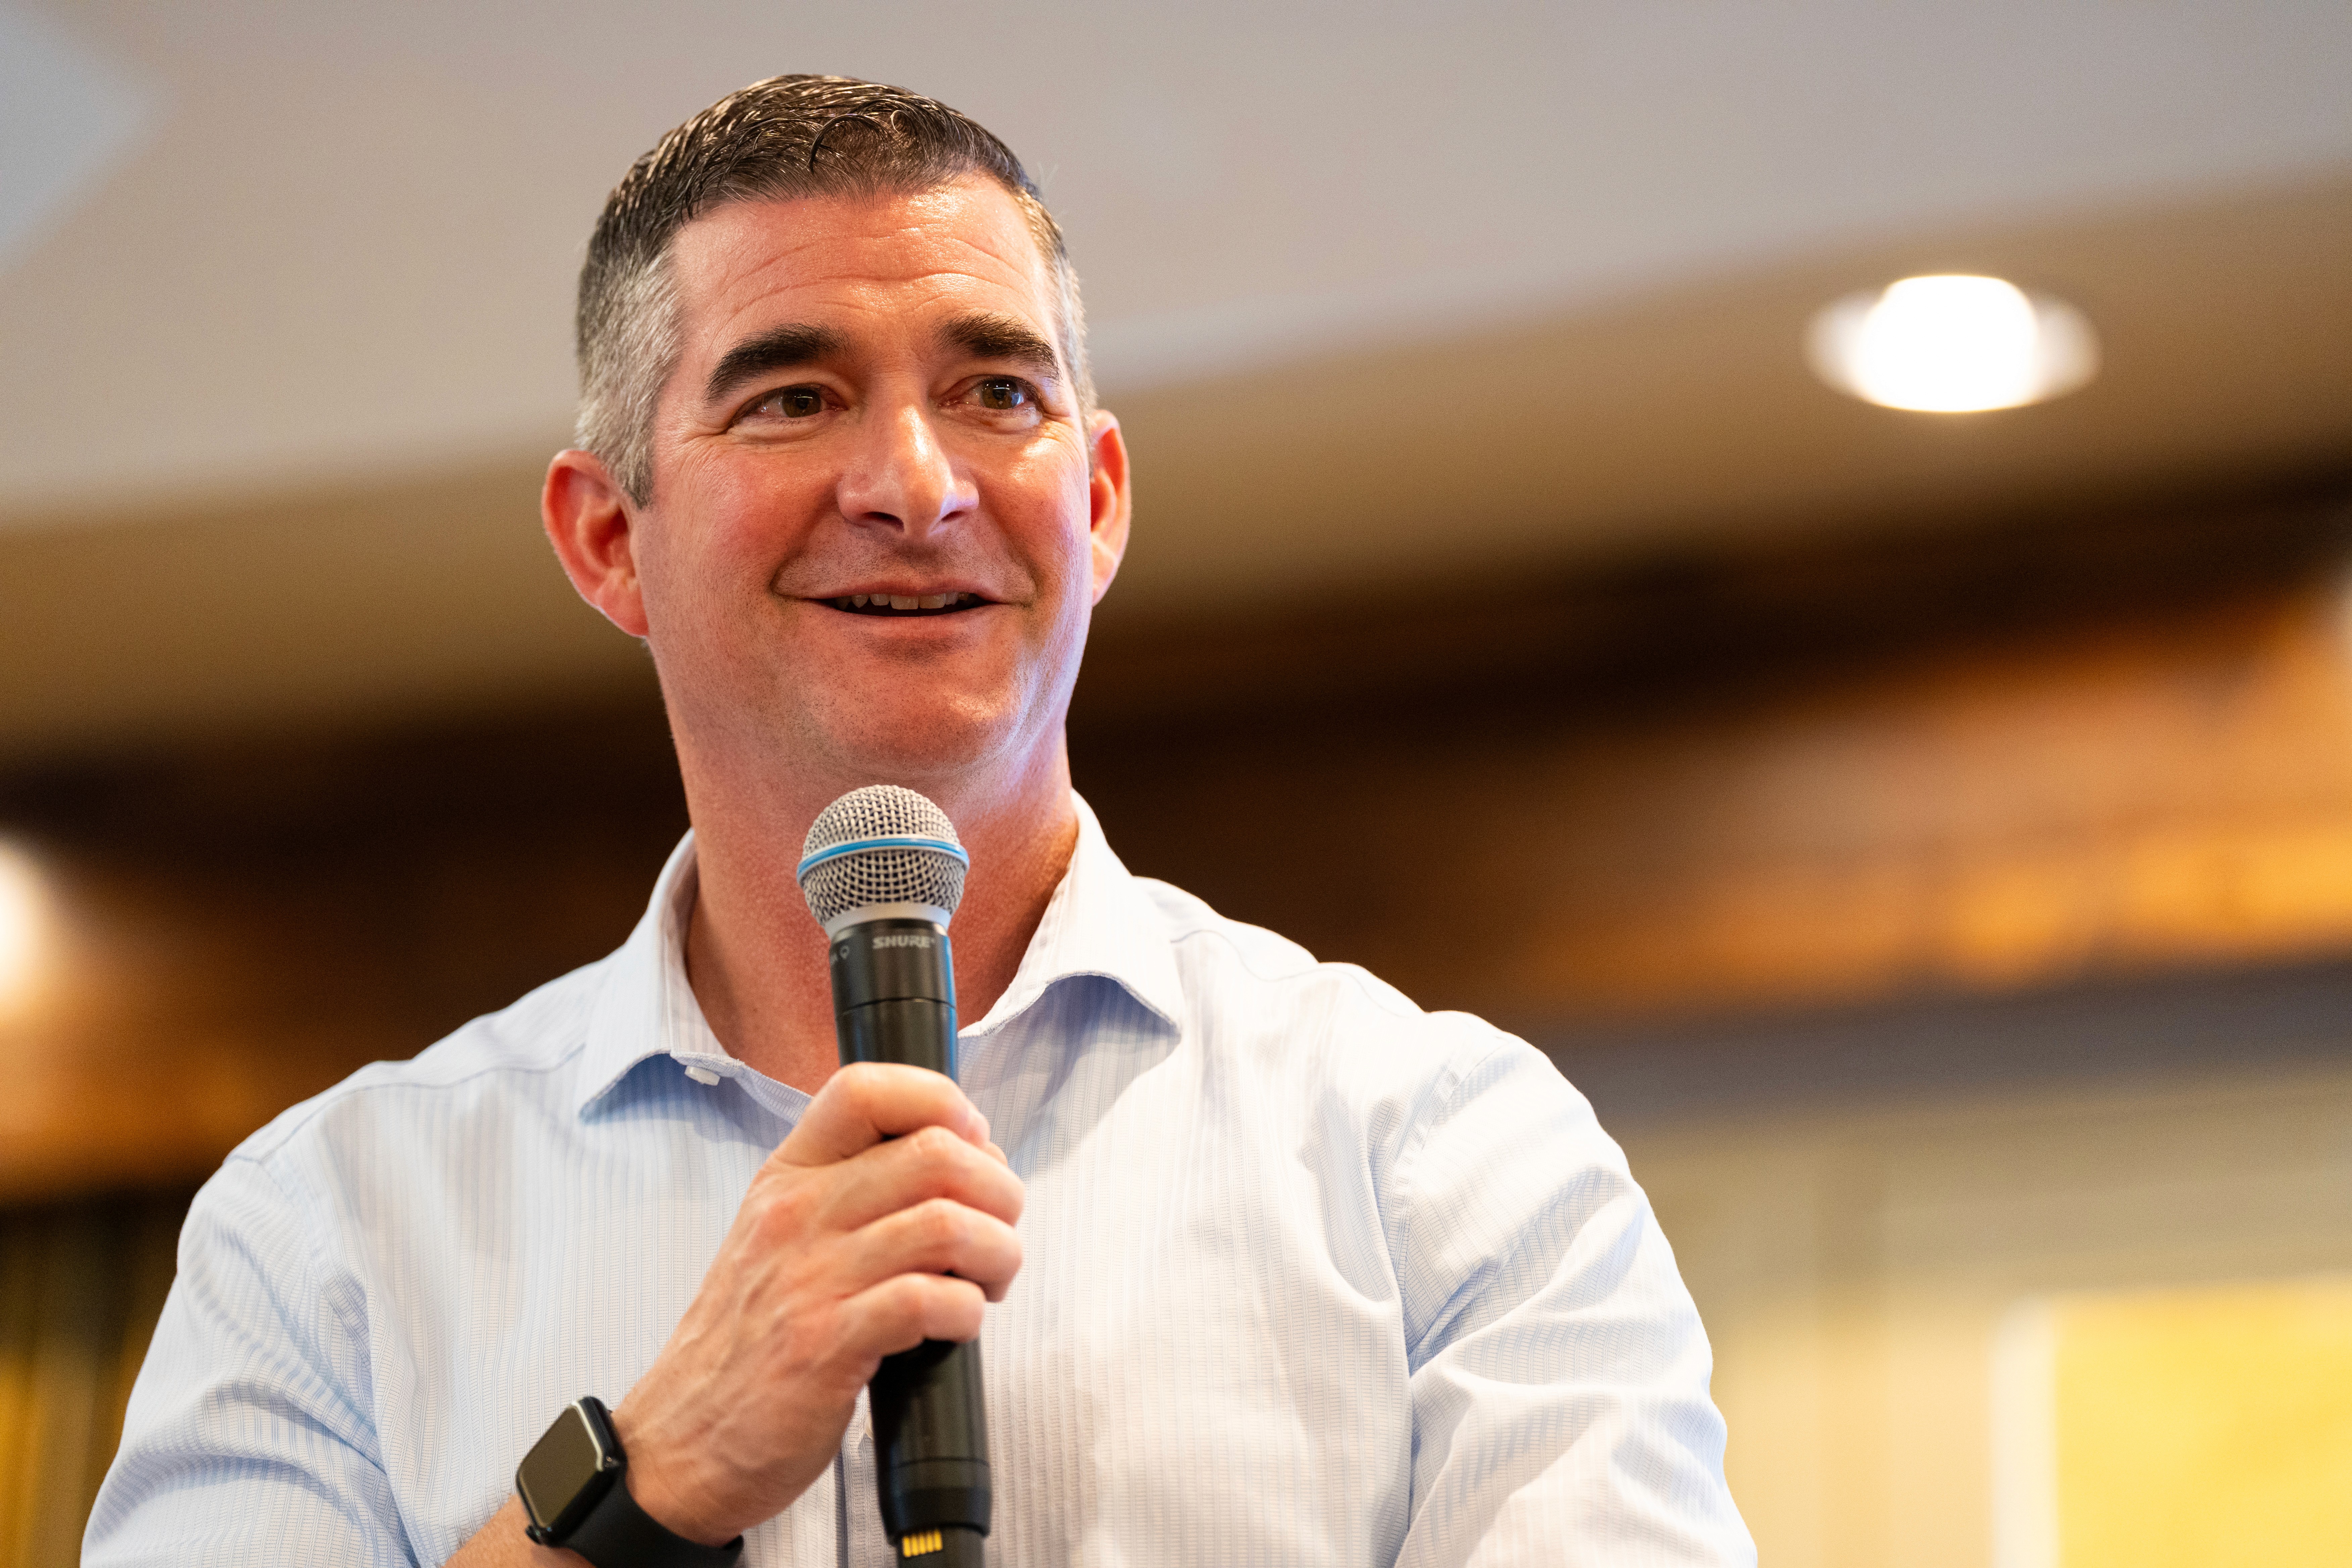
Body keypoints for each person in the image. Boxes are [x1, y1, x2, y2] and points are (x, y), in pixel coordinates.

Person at [86, 76, 1754, 1567]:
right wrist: (637, 1491)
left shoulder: (1445, 1157)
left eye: (997, 394)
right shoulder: (329, 1232)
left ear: (1096, 503)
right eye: (793, 397)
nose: (914, 482)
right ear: (607, 538)